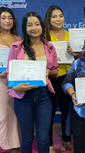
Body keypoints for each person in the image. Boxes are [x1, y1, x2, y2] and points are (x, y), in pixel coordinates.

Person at [6, 12, 59, 153]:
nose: (34, 28)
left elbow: (55, 71)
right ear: (25, 28)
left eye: (37, 24)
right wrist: (16, 87)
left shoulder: (50, 47)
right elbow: (9, 73)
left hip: (44, 96)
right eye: (30, 25)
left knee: (43, 139)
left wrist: (49, 72)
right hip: (23, 97)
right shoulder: (16, 48)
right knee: (27, 138)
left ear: (42, 26)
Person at [44, 5, 74, 153]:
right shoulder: (43, 36)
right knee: (48, 113)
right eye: (54, 16)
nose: (58, 19)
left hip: (69, 78)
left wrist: (75, 53)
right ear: (49, 19)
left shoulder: (70, 35)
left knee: (67, 112)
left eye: (60, 16)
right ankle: (49, 144)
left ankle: (66, 140)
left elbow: (79, 57)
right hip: (52, 78)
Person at [0, 7, 21, 153]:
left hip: (16, 83)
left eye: (10, 18)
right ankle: (6, 145)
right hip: (1, 83)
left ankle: (16, 145)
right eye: (3, 18)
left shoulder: (19, 39)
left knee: (16, 115)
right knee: (4, 115)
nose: (7, 21)